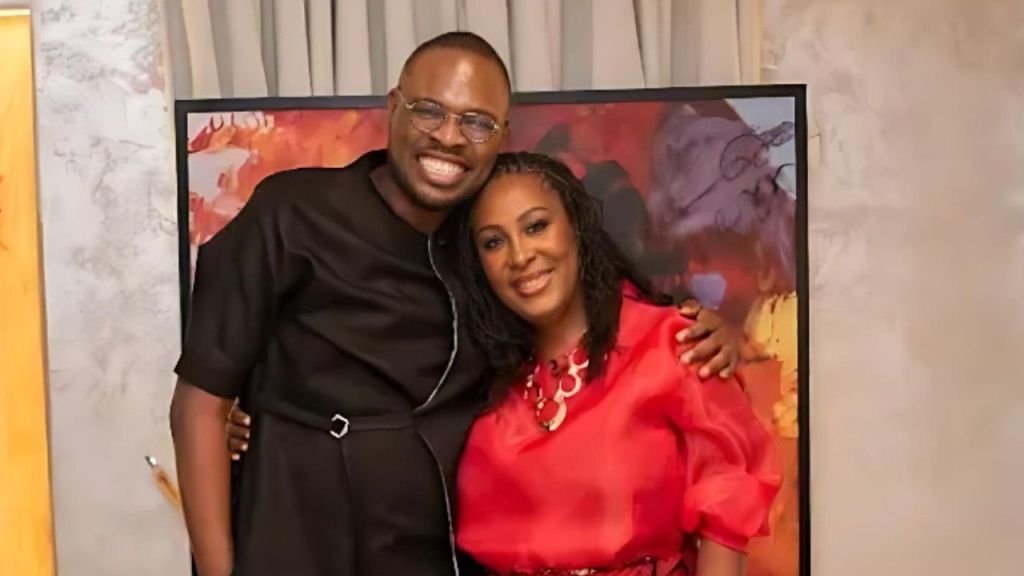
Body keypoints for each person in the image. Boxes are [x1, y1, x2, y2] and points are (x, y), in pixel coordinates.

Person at [170, 32, 742, 576]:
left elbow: (591, 311)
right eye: (428, 110)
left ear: (500, 135)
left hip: (432, 554)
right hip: (294, 541)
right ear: (393, 106)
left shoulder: (488, 241)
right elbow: (199, 404)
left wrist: (717, 333)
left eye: (476, 122)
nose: (448, 136)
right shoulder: (292, 213)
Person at [453, 152, 780, 575]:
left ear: (575, 227)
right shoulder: (484, 385)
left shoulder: (675, 344)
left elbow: (725, 515)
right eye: (493, 242)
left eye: (536, 226)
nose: (520, 256)